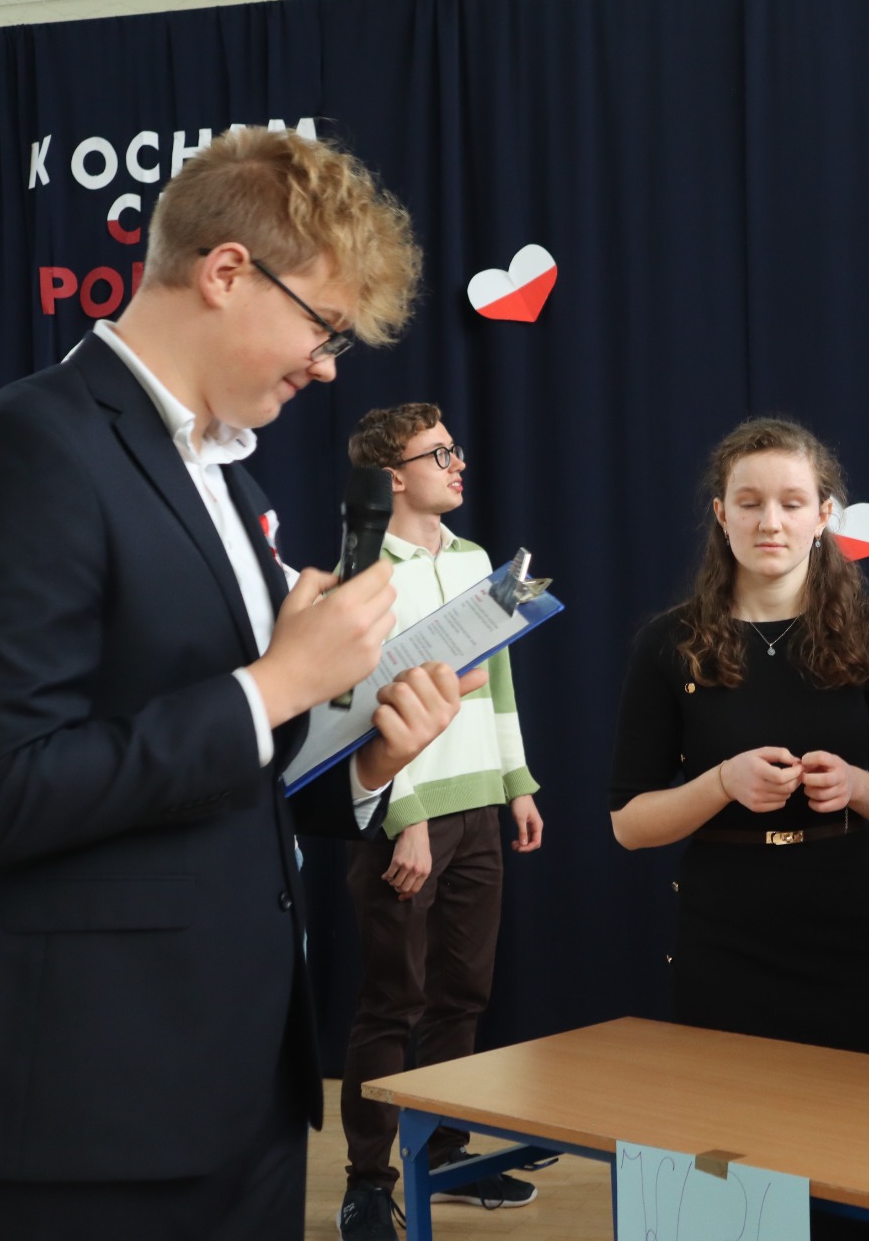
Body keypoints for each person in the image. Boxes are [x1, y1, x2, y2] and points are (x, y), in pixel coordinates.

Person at [0, 128, 479, 1241]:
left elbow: (214, 771)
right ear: (227, 271)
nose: (327, 365)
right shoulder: (24, 449)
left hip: (226, 1094)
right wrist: (278, 683)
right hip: (66, 1119)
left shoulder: (224, 477)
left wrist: (364, 758)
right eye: (323, 326)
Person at [608, 418, 869, 1241]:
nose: (770, 522)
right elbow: (629, 825)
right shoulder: (668, 644)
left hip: (852, 932)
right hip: (726, 937)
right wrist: (719, 783)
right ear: (721, 515)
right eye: (749, 503)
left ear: (824, 514)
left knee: (862, 1168)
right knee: (729, 1175)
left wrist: (858, 786)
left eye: (791, 502)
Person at [335, 404, 546, 1239]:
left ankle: (447, 1158)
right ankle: (367, 1182)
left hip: (480, 806)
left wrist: (516, 782)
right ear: (394, 477)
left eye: (455, 450)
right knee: (395, 1002)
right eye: (440, 454)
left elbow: (497, 680)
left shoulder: (476, 560)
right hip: (407, 816)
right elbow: (363, 710)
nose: (459, 464)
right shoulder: (363, 571)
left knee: (463, 995)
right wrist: (407, 812)